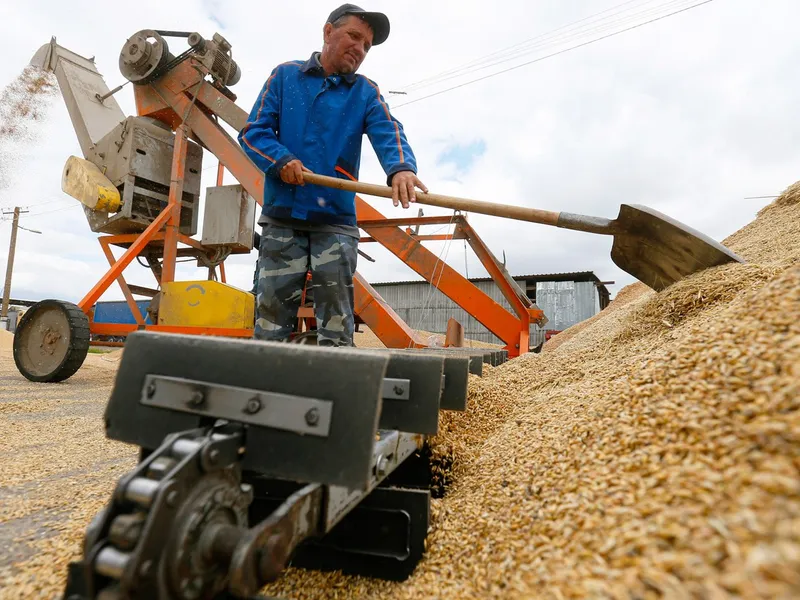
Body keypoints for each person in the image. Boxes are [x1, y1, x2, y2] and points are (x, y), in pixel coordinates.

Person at [239, 3, 426, 347]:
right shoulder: (285, 77)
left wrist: (401, 168)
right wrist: (280, 160)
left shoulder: (365, 92)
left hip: (335, 222)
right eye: (354, 36)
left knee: (336, 324)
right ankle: (265, 389)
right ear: (328, 32)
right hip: (283, 218)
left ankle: (334, 392)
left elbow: (388, 129)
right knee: (271, 318)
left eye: (367, 45)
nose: (360, 48)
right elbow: (253, 133)